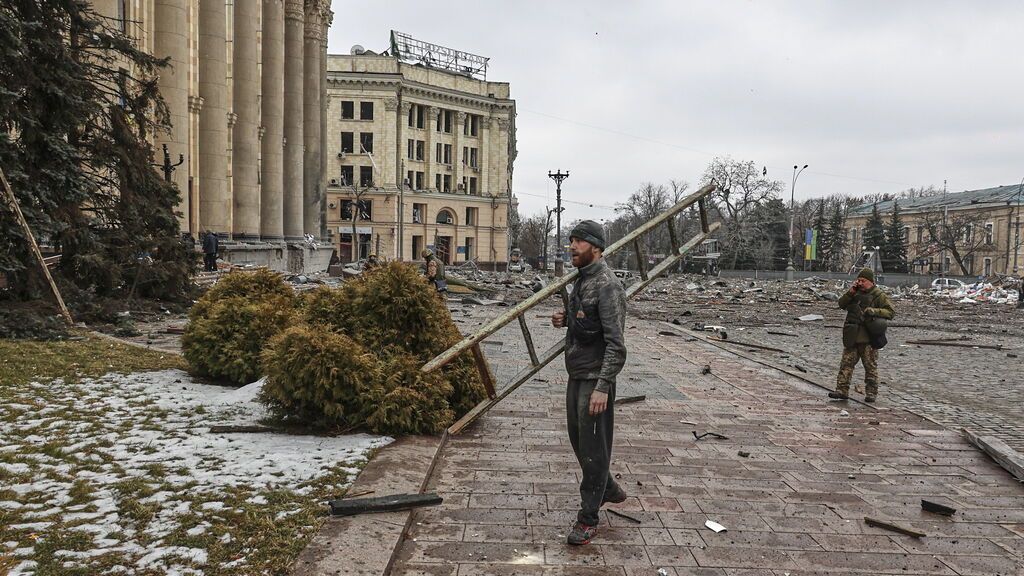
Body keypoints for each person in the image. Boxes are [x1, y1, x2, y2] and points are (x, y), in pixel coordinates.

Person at [550, 220, 628, 546]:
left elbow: (616, 345)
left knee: (594, 449)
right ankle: (607, 487)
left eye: (578, 242)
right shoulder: (582, 281)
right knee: (579, 443)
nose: (572, 247)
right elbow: (588, 323)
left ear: (595, 247)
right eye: (571, 241)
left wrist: (603, 387)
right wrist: (566, 319)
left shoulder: (608, 285)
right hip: (576, 374)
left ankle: (588, 518)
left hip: (595, 379)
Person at [830, 267, 895, 403]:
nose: (860, 283)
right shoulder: (854, 293)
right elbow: (842, 304)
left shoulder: (879, 295)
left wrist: (874, 311)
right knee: (846, 364)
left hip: (868, 337)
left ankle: (871, 393)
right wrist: (851, 292)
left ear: (870, 281)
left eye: (863, 281)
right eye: (858, 280)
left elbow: (890, 312)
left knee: (870, 367)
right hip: (852, 335)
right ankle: (841, 390)